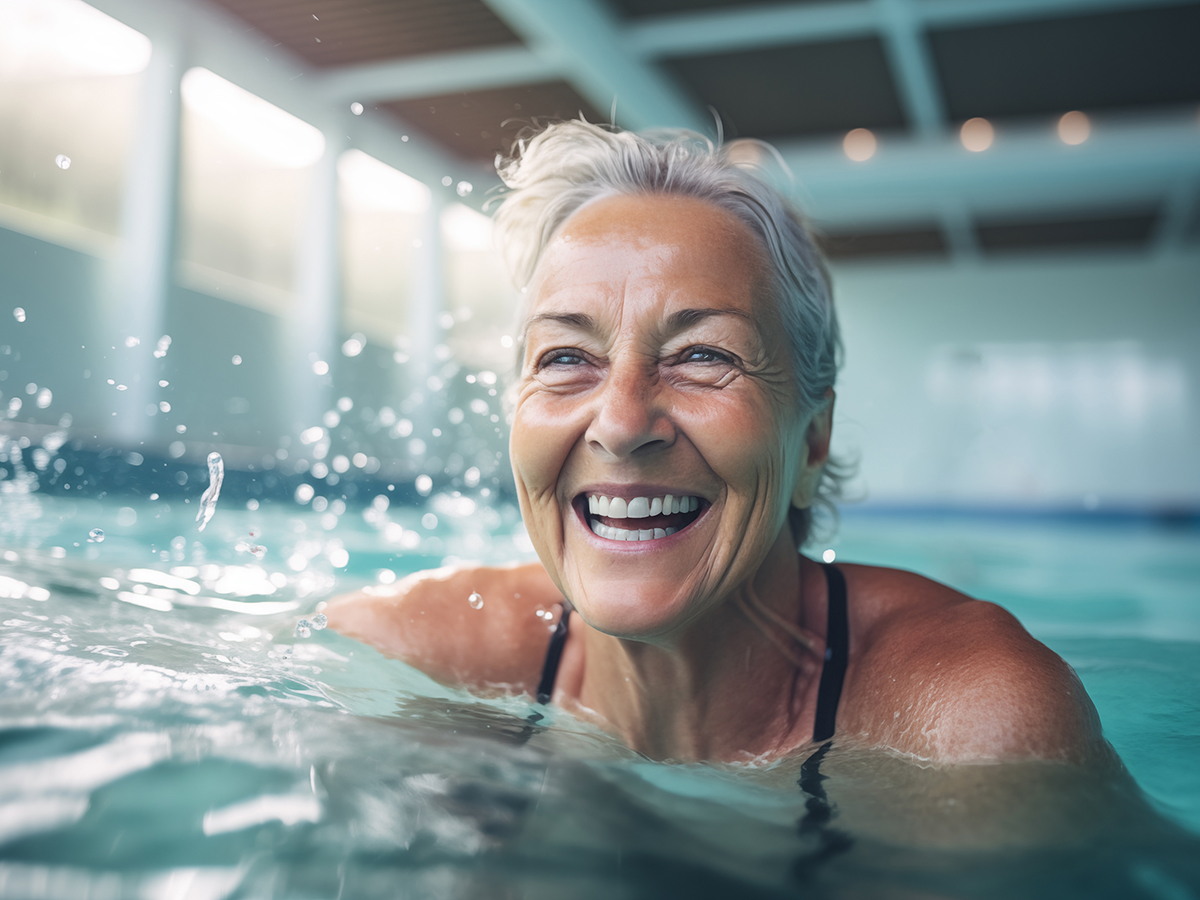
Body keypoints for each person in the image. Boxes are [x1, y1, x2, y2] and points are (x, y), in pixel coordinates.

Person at [326, 120, 1105, 766]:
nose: (621, 424)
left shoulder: (966, 726)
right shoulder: (410, 655)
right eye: (565, 358)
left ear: (813, 441)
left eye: (703, 356)